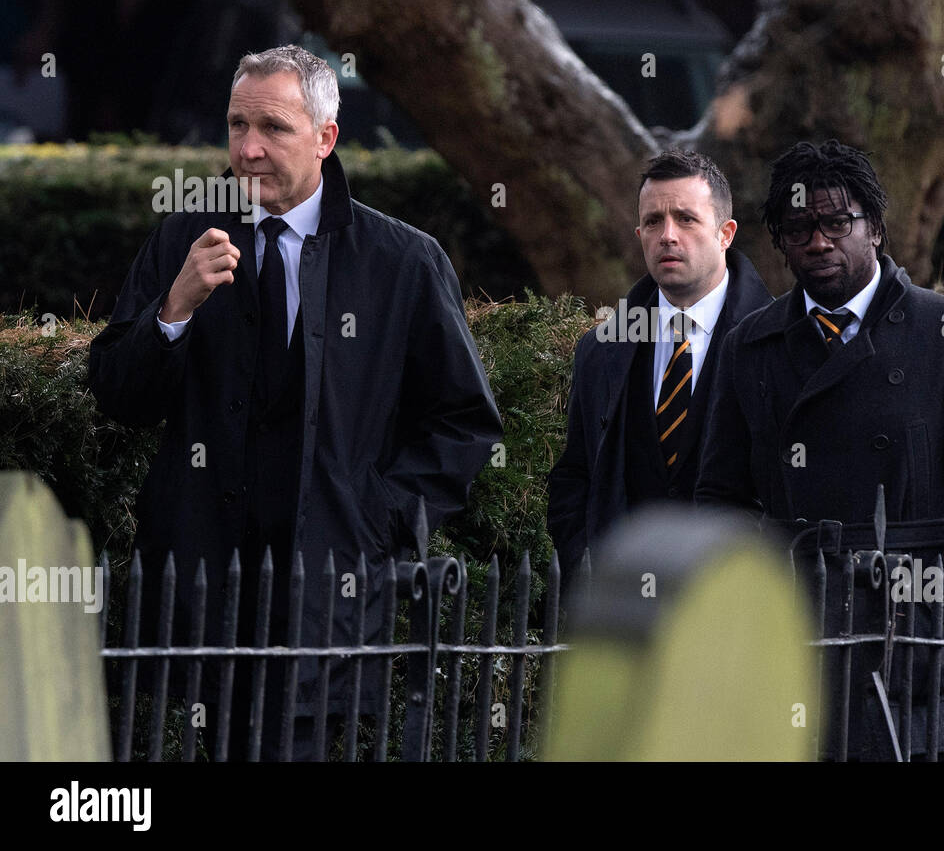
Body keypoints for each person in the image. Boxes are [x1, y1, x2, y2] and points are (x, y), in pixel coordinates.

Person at [88, 44, 502, 759]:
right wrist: (175, 309)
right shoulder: (183, 237)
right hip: (203, 594)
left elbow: (465, 426)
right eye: (236, 125)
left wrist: (380, 519)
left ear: (326, 137)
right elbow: (119, 394)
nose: (248, 149)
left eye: (273, 128)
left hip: (327, 598)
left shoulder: (401, 261)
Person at [695, 140, 944, 759]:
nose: (818, 241)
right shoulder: (751, 345)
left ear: (874, 228)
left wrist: (937, 615)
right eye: (798, 228)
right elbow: (721, 497)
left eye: (836, 223)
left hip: (908, 626)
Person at [547, 150, 771, 583]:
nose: (667, 235)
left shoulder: (778, 342)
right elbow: (575, 476)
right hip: (627, 609)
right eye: (653, 222)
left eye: (686, 219)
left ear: (726, 234)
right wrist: (586, 569)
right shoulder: (601, 350)